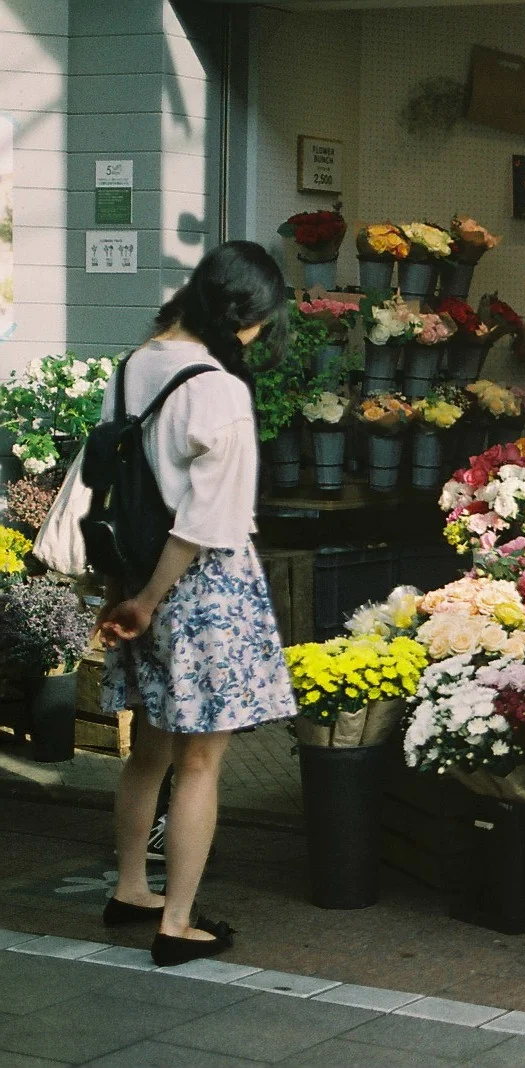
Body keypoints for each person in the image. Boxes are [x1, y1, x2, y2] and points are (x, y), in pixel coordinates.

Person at [96, 241, 298, 967]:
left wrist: (132, 593)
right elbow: (213, 519)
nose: (255, 340)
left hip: (136, 573)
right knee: (201, 763)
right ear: (239, 313)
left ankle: (130, 888)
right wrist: (153, 599)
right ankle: (176, 924)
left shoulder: (133, 366)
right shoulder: (218, 389)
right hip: (199, 588)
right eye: (258, 324)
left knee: (148, 748)